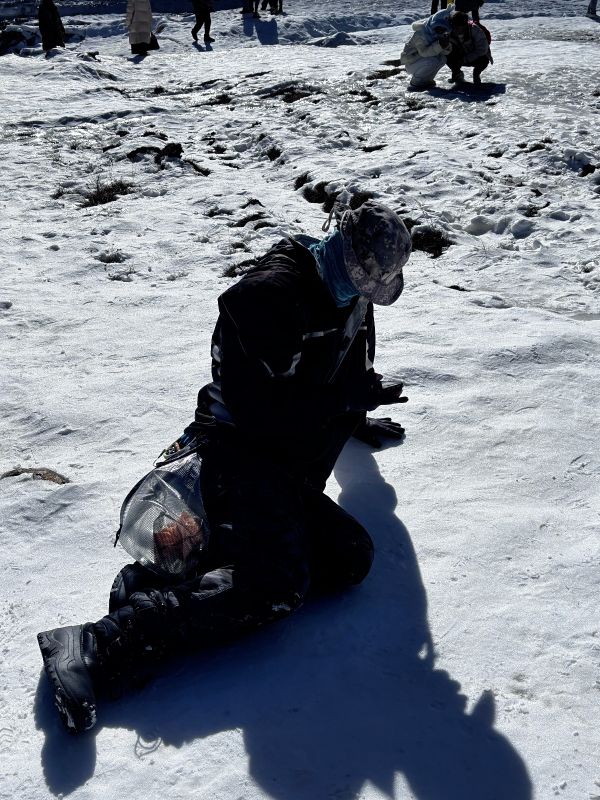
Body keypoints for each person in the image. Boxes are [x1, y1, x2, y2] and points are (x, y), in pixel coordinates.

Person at [37, 200, 413, 735]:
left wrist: (355, 415)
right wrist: (341, 400)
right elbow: (260, 413)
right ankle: (98, 644)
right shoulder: (268, 297)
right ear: (344, 249)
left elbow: (340, 364)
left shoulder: (348, 292)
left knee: (349, 558)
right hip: (235, 450)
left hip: (282, 468)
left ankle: (178, 573)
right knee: (277, 585)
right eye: (364, 281)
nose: (365, 293)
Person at [401, 8, 468, 91]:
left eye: (443, 29)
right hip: (411, 62)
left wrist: (445, 46)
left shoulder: (439, 33)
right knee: (432, 61)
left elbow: (444, 53)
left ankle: (426, 80)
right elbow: (423, 53)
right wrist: (439, 45)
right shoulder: (422, 34)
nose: (440, 30)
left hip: (421, 60)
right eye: (439, 27)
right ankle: (416, 81)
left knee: (442, 59)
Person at [446, 16, 491, 84]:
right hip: (461, 55)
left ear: (464, 25)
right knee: (446, 56)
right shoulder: (449, 31)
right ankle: (457, 74)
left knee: (484, 60)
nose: (455, 29)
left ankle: (476, 75)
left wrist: (465, 59)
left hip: (474, 57)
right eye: (454, 26)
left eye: (458, 26)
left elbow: (482, 50)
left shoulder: (475, 30)